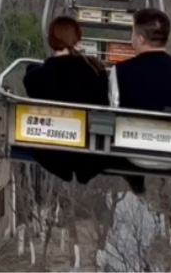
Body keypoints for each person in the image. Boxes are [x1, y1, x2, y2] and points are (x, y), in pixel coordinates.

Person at [111, 7, 171, 213]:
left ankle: (136, 180)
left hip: (133, 153)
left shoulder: (119, 72)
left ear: (139, 39)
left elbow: (114, 107)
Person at [22, 16, 111, 184]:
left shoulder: (36, 78)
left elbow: (33, 81)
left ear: (51, 41)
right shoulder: (96, 71)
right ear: (77, 40)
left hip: (53, 153)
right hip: (89, 154)